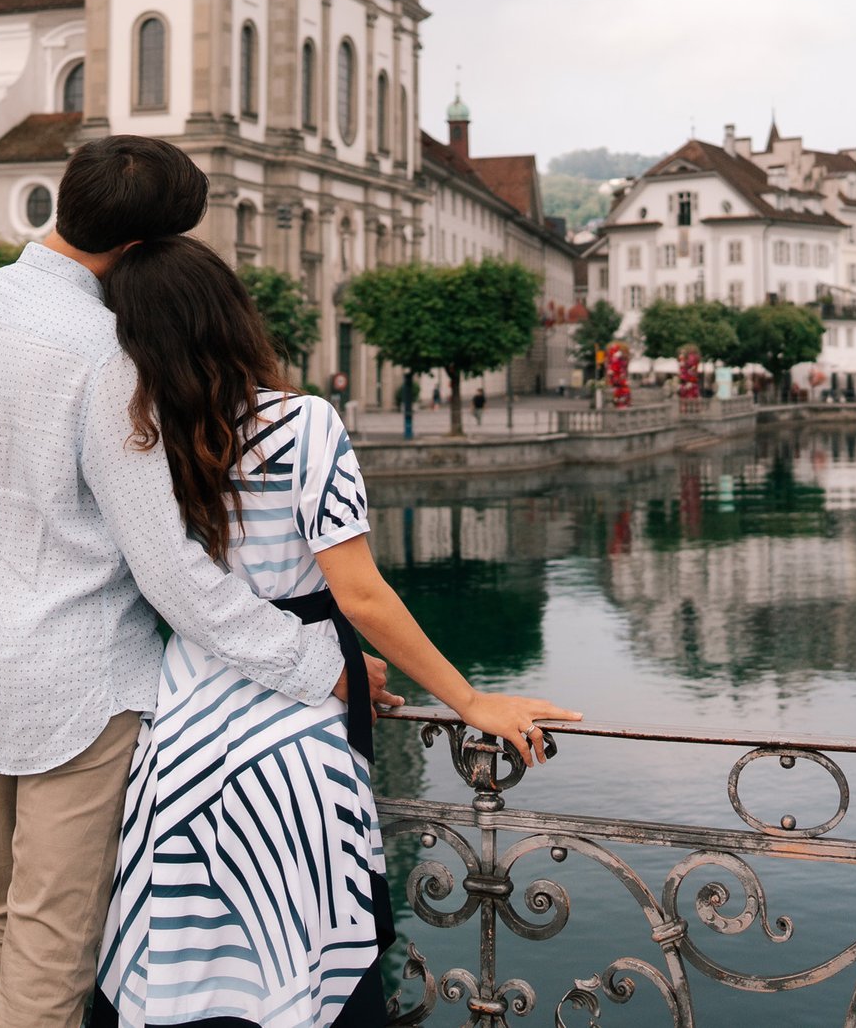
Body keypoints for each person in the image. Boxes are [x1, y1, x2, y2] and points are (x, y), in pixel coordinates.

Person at [0, 137, 390, 1028]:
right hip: (77, 690)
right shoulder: (107, 353)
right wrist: (322, 662)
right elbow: (171, 573)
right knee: (50, 961)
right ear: (138, 252)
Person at [93, 237, 577, 1028]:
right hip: (292, 741)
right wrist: (468, 697)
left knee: (179, 975)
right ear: (231, 316)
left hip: (177, 734)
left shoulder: (140, 440)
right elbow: (362, 596)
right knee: (302, 976)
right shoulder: (303, 423)